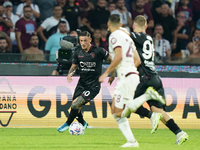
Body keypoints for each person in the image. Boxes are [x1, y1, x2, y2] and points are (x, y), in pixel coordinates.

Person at [99, 14, 165, 147]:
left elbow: (117, 57)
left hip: (127, 76)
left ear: (108, 24)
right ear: (122, 24)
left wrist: (105, 73)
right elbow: (137, 60)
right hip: (130, 75)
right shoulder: (128, 38)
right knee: (115, 110)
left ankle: (148, 101)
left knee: (119, 111)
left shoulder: (115, 36)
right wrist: (115, 72)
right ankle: (132, 141)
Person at [125, 15, 188, 145]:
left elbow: (125, 34)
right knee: (158, 110)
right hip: (155, 78)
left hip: (145, 78)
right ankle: (179, 133)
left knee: (127, 104)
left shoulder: (137, 36)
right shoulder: (148, 38)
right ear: (146, 26)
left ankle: (151, 116)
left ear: (134, 26)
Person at [57, 31, 114, 134]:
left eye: (85, 41)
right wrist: (70, 74)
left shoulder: (99, 51)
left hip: (93, 85)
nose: (83, 43)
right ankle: (83, 123)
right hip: (81, 83)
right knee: (76, 106)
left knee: (75, 105)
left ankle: (67, 124)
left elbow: (112, 61)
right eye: (81, 41)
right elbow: (74, 67)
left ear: (90, 40)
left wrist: (112, 74)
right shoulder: (77, 52)